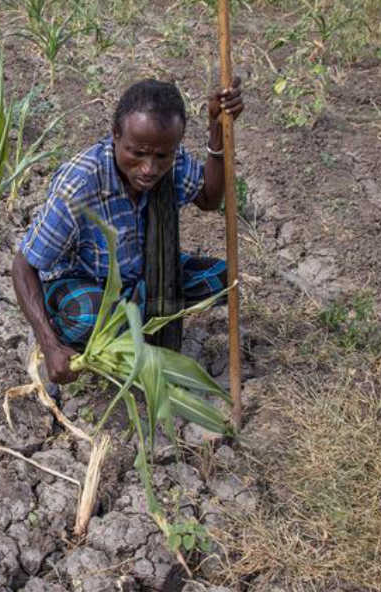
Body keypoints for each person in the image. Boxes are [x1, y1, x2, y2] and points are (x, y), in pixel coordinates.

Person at [12, 76, 244, 387]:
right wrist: (49, 344)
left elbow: (208, 198)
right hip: (83, 283)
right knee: (89, 316)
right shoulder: (80, 184)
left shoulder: (170, 160)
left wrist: (217, 130)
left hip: (141, 277)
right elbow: (23, 266)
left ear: (174, 146)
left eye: (161, 156)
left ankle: (138, 320)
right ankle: (62, 332)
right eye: (137, 153)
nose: (149, 168)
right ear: (115, 136)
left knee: (225, 281)